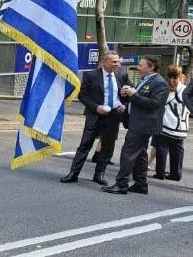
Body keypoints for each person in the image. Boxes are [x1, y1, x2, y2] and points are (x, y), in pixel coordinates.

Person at [60, 51, 129, 186]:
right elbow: (82, 95)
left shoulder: (122, 74)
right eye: (114, 62)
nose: (117, 64)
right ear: (104, 62)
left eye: (118, 61)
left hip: (114, 116)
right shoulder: (91, 75)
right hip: (95, 115)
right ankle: (74, 173)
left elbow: (129, 91)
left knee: (107, 147)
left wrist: (125, 104)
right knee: (85, 145)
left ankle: (99, 174)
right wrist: (96, 107)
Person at [102, 56, 169, 195]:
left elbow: (154, 104)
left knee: (128, 153)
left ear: (151, 67)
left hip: (144, 124)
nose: (138, 67)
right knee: (140, 155)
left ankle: (121, 184)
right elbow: (138, 99)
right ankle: (141, 184)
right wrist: (127, 94)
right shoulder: (146, 80)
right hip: (136, 122)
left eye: (141, 65)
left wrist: (134, 95)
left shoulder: (160, 83)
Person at [152, 65, 188, 181]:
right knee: (178, 150)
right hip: (182, 127)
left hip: (166, 125)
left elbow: (158, 104)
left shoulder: (166, 88)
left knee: (161, 148)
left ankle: (160, 173)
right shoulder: (185, 89)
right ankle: (176, 174)